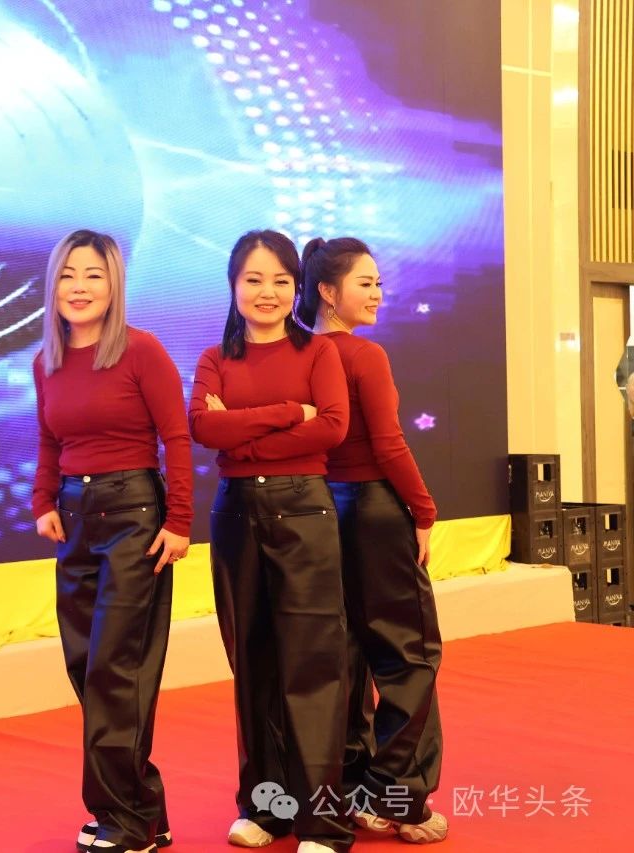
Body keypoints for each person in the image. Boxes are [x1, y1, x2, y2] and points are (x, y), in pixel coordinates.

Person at [189, 230, 353, 853]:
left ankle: (323, 822)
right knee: (252, 665)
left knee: (312, 666)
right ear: (233, 286)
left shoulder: (318, 352)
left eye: (281, 281)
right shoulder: (214, 357)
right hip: (236, 516)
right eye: (253, 280)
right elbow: (203, 428)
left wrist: (242, 436)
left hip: (304, 512)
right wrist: (288, 413)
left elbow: (332, 428)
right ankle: (266, 807)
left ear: (297, 287)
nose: (268, 292)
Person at [31, 229, 192, 853]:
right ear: (53, 285)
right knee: (85, 665)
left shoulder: (141, 351)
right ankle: (143, 809)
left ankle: (122, 820)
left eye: (93, 274)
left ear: (114, 284)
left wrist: (179, 521)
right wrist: (44, 500)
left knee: (115, 670)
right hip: (75, 519)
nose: (79, 287)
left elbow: (176, 438)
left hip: (135, 517)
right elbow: (50, 440)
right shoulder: (46, 361)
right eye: (68, 275)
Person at [297, 237, 447, 844]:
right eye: (366, 283)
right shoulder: (363, 355)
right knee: (410, 656)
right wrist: (425, 511)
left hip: (321, 513)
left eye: (379, 282)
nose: (379, 294)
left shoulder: (298, 353)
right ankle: (398, 798)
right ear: (328, 292)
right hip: (377, 513)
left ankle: (356, 788)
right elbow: (389, 444)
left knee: (349, 655)